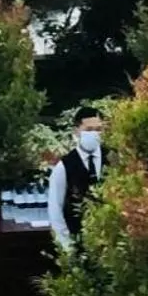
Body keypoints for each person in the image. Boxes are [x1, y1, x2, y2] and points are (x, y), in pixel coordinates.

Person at [46, 106, 105, 250]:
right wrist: (67, 245)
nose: (94, 134)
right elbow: (55, 208)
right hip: (78, 241)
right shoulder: (64, 166)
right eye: (89, 130)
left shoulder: (113, 159)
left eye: (98, 129)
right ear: (77, 131)